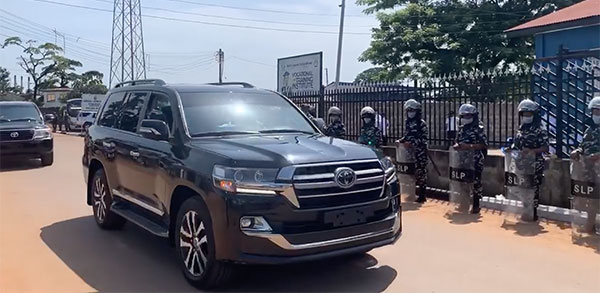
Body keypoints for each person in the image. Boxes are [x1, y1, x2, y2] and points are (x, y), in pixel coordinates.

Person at [510, 99, 549, 221]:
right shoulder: (521, 129)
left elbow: (545, 147)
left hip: (535, 164)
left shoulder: (540, 129)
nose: (526, 117)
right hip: (521, 164)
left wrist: (532, 151)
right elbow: (516, 145)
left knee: (533, 188)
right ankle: (525, 210)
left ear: (534, 115)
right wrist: (510, 149)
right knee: (523, 188)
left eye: (529, 114)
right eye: (524, 114)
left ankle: (533, 213)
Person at [453, 103, 488, 214]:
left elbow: (483, 145)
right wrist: (457, 146)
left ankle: (476, 205)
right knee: (463, 182)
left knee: (475, 183)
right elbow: (457, 141)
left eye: (468, 116)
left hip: (475, 160)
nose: (465, 118)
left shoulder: (479, 128)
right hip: (462, 160)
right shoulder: (461, 129)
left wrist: (469, 147)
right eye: (463, 116)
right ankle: (464, 204)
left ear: (473, 116)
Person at [398, 99, 429, 203]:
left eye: (412, 110)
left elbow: (424, 139)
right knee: (410, 173)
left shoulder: (421, 124)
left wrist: (412, 144)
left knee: (421, 173)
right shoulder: (408, 123)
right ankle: (411, 193)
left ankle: (422, 195)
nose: (410, 112)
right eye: (408, 110)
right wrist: (401, 141)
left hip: (420, 153)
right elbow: (407, 136)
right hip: (409, 153)